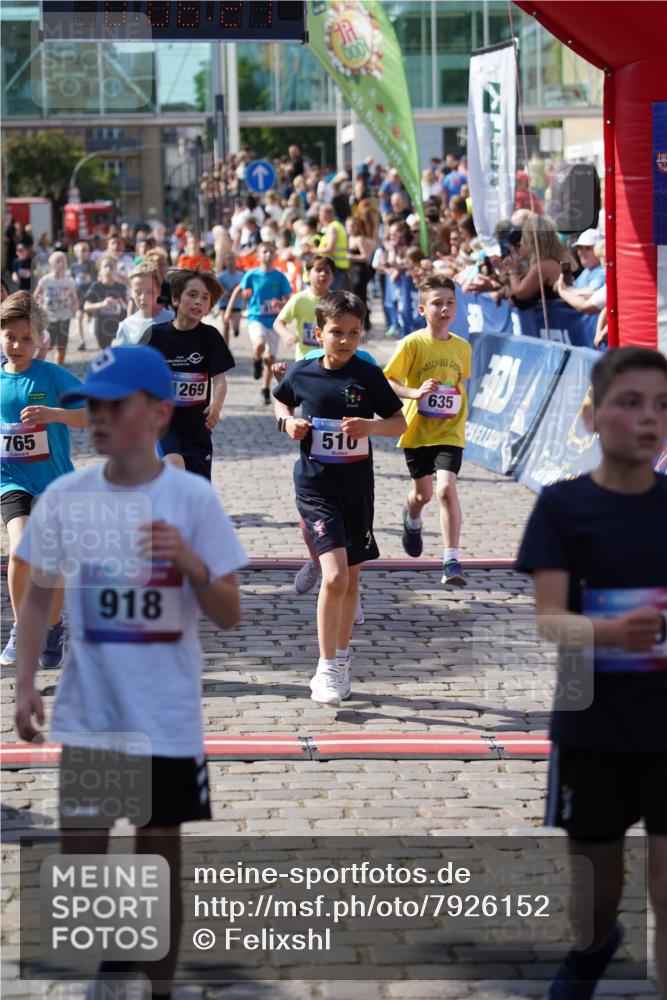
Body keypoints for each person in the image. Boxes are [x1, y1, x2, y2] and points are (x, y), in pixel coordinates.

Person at [14, 345, 245, 1000]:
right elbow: (37, 595)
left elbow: (229, 613)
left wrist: (192, 564)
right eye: (94, 403)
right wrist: (28, 679)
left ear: (158, 412)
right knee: (83, 853)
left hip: (165, 718)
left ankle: (159, 987)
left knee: (157, 854)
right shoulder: (66, 496)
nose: (99, 416)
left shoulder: (190, 499)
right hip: (93, 712)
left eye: (118, 403)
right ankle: (114, 965)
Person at [516, 347, 667, 1000]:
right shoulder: (562, 507)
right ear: (590, 417)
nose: (648, 419)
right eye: (629, 403)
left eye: (661, 406)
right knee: (594, 899)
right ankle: (594, 946)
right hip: (592, 724)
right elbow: (548, 620)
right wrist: (607, 632)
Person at [273, 290, 406, 706]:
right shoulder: (304, 370)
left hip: (356, 490)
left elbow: (399, 423)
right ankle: (326, 666)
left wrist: (370, 426)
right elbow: (281, 398)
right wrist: (286, 423)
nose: (346, 340)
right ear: (319, 333)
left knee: (351, 580)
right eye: (337, 332)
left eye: (354, 332)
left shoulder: (368, 375)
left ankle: (343, 659)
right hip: (315, 487)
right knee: (334, 577)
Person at [1, 292, 87, 668]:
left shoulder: (52, 375)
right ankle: (23, 628)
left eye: (26, 338)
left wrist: (55, 414)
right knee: (21, 553)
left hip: (54, 482)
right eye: (10, 336)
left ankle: (52, 628)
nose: (17, 345)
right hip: (11, 481)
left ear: (41, 340)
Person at [383, 274, 472, 586]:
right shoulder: (412, 344)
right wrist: (415, 392)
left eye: (450, 303)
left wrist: (454, 395)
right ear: (422, 309)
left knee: (445, 489)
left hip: (450, 430)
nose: (444, 309)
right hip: (418, 431)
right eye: (437, 303)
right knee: (421, 495)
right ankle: (413, 517)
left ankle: (451, 560)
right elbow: (389, 381)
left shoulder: (463, 347)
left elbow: (461, 381)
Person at [150, 267, 234, 480]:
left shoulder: (210, 337)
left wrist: (216, 405)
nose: (198, 301)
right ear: (176, 300)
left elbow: (219, 380)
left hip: (197, 426)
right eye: (192, 295)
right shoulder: (156, 336)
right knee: (174, 464)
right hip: (164, 422)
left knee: (198, 492)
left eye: (205, 298)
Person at [224, 242, 291, 405]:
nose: (268, 255)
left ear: (275, 255)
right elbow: (238, 290)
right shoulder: (252, 275)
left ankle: (265, 389)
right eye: (265, 252)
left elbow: (289, 299)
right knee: (259, 343)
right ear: (259, 256)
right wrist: (228, 310)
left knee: (271, 358)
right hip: (256, 317)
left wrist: (281, 304)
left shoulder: (280, 276)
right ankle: (256, 360)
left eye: (271, 252)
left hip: (274, 321)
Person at [274, 254, 336, 361]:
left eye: (327, 272)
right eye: (319, 270)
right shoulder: (299, 299)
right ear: (307, 274)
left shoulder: (336, 300)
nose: (323, 274)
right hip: (305, 358)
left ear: (333, 277)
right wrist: (286, 334)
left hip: (330, 358)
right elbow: (278, 323)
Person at [33, 250, 79, 366]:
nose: (61, 263)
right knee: (46, 346)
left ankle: (58, 370)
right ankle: (37, 367)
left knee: (62, 347)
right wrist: (37, 310)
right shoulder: (45, 280)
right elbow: (35, 297)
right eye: (58, 261)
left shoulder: (69, 281)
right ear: (51, 264)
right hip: (49, 318)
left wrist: (74, 307)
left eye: (63, 261)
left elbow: (75, 299)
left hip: (64, 317)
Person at [113, 264, 174, 346]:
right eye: (138, 292)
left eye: (150, 291)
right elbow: (124, 357)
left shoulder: (173, 320)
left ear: (159, 291)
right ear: (131, 292)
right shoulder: (126, 326)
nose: (143, 297)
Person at [83, 255, 128, 349]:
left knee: (117, 352)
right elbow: (86, 306)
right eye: (105, 267)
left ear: (116, 270)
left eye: (111, 267)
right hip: (101, 327)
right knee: (106, 355)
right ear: (100, 270)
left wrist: (124, 305)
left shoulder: (121, 287)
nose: (108, 269)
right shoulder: (96, 287)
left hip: (118, 325)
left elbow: (128, 306)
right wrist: (102, 304)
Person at [69, 242, 97, 350]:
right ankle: (81, 341)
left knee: (89, 320)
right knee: (78, 317)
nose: (83, 253)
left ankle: (96, 337)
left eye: (85, 250)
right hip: (79, 295)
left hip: (91, 296)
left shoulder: (91, 264)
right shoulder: (74, 266)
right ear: (76, 253)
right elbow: (72, 280)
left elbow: (96, 278)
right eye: (81, 251)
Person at [318, 204, 350, 290]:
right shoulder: (336, 226)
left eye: (320, 214)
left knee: (332, 295)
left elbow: (330, 248)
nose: (319, 217)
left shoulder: (333, 227)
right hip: (337, 266)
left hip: (335, 266)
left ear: (326, 215)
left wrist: (313, 251)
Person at [215, 251, 243, 344]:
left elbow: (244, 288)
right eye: (228, 259)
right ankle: (225, 348)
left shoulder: (241, 275)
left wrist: (238, 295)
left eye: (232, 259)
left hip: (237, 304)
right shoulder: (221, 276)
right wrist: (224, 293)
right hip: (224, 304)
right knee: (226, 326)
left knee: (235, 326)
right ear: (225, 262)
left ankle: (236, 330)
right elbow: (218, 289)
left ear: (236, 260)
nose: (230, 261)